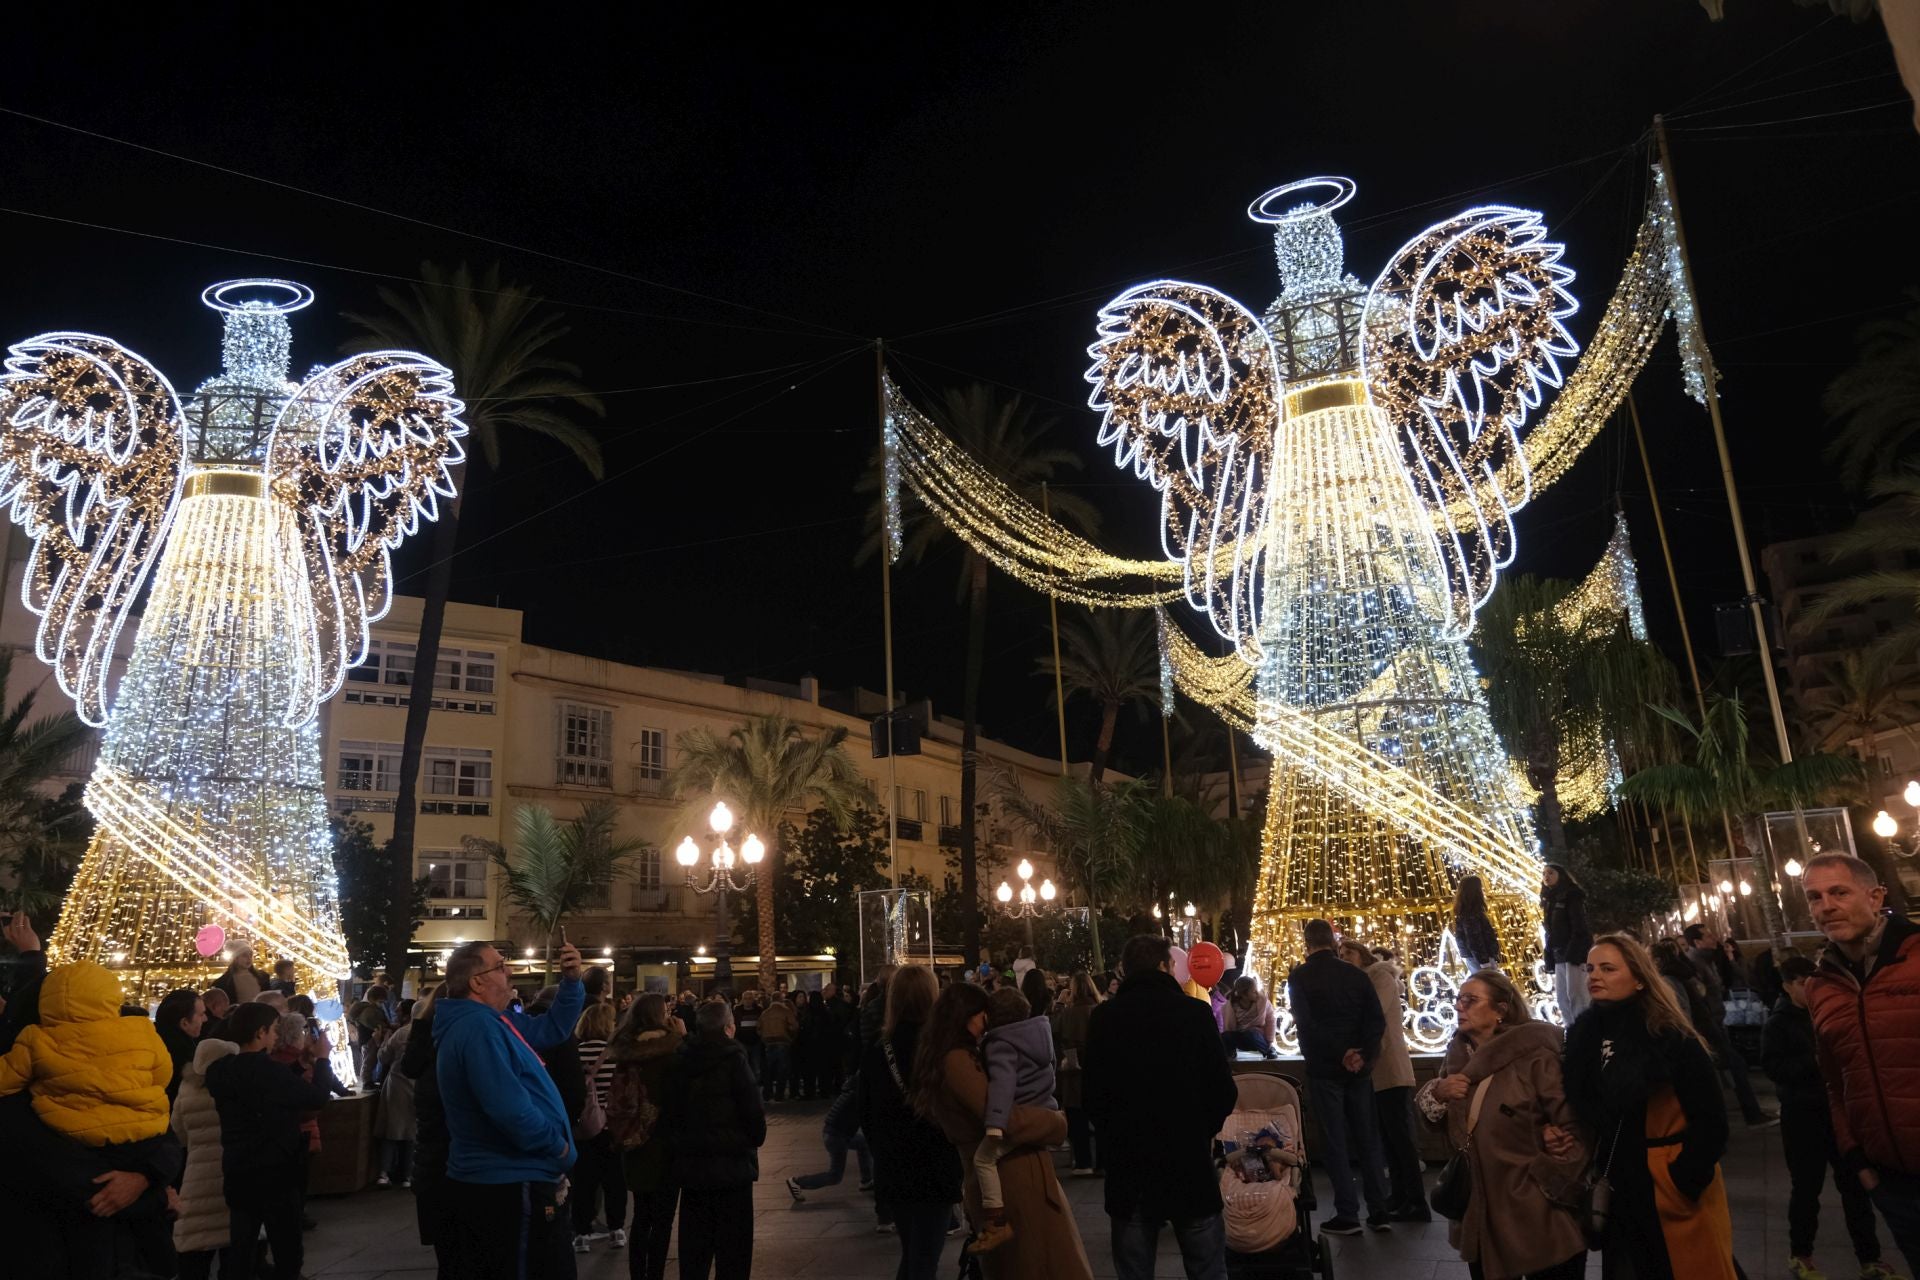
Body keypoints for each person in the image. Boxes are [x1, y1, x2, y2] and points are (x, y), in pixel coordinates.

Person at [1562, 933, 1736, 1280]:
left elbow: (1712, 1120)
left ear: (1639, 978)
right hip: (1615, 1184)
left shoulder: (1669, 1037)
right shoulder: (1583, 1038)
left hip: (1666, 1182)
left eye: (1608, 968)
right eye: (1591, 968)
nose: (1595, 976)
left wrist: (1682, 1180)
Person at [1417, 970, 1587, 1280]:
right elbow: (1445, 1129)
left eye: (1471, 1000)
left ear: (1500, 1010)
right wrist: (1436, 1093)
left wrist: (1549, 1178)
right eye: (1458, 999)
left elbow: (1574, 1126)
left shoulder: (1535, 1056)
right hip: (1480, 1212)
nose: (1459, 1007)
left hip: (1536, 1211)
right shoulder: (1456, 1057)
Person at [916, 981, 1092, 1280]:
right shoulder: (957, 1060)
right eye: (981, 1014)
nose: (986, 1022)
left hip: (1012, 1174)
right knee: (1035, 1265)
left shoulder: (958, 1055)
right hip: (1012, 1178)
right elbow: (1002, 1118)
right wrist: (1056, 1123)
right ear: (964, 1014)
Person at [1085, 933, 1236, 1280]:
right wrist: (1201, 1130)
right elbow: (1222, 1089)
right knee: (1206, 1267)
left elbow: (1093, 1095)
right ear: (1164, 965)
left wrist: (1114, 1136)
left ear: (1125, 970)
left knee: (1134, 1267)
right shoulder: (1195, 1014)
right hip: (1188, 1160)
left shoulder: (1106, 1019)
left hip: (1129, 1166)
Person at [434, 939, 585, 1280]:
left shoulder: (493, 1022)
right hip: (509, 1182)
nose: (510, 971)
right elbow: (510, 1110)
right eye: (500, 967)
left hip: (511, 1179)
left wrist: (572, 983)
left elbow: (551, 1029)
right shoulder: (478, 1028)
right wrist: (558, 1147)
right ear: (476, 982)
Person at [1801, 852, 1920, 1268]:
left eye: (1839, 892)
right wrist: (1858, 1159)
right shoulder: (1821, 986)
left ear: (1875, 897)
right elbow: (1835, 1080)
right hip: (1892, 1182)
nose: (1826, 906)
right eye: (1814, 898)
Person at [1761, 954, 1893, 1280]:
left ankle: (1870, 1259)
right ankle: (1801, 1254)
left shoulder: (1827, 1013)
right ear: (1787, 986)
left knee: (1855, 1189)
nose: (1810, 990)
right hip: (1802, 1115)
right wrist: (1813, 1064)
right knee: (1807, 1189)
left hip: (1838, 1114)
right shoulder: (1778, 1024)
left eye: (1814, 983)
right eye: (1803, 984)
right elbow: (1774, 1068)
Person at [206, 1000, 336, 1280]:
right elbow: (315, 1098)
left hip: (237, 1166)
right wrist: (323, 1060)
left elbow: (270, 1087)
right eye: (275, 1029)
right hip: (276, 1168)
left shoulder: (220, 1071)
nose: (277, 1035)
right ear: (260, 1032)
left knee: (242, 1239)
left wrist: (299, 1067)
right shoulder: (269, 1072)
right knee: (286, 1242)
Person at [1287, 919, 1391, 1234]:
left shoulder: (1300, 977)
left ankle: (1347, 1212)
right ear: (1333, 941)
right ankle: (1379, 1210)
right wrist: (1360, 1053)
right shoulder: (1356, 975)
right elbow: (1375, 1020)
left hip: (1324, 1068)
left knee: (1335, 1142)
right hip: (1358, 1069)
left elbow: (1306, 1024)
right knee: (1367, 1138)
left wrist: (1339, 1052)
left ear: (1307, 943)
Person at [0, 959, 173, 1147]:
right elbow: (163, 1075)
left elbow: (6, 1076)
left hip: (70, 1131)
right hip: (141, 1131)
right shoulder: (141, 1030)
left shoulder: (37, 1038)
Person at [859, 965, 959, 1279]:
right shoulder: (943, 1048)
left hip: (894, 1162)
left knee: (913, 1251)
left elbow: (866, 1111)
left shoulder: (878, 1050)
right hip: (936, 1161)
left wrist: (882, 1150)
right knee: (926, 1255)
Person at [664, 999, 766, 1280]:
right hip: (732, 1169)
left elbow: (670, 1112)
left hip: (693, 1169)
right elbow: (753, 1114)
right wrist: (749, 1140)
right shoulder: (735, 1060)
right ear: (728, 1028)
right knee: (733, 1252)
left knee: (694, 1251)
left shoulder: (682, 1060)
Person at [1340, 940, 1429, 1222]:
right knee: (1389, 1139)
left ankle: (1416, 1201)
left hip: (1389, 1068)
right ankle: (1400, 1196)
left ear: (1362, 954)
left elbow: (1374, 1014)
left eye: (1349, 952)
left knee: (1401, 1138)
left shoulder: (1380, 976)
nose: (1344, 958)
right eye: (1340, 955)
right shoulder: (1359, 983)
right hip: (1374, 1072)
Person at [965, 986, 1057, 1254]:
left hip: (1019, 1114)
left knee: (984, 1159)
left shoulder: (1001, 1044)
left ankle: (996, 1220)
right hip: (1044, 1108)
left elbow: (1003, 1086)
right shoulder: (1040, 1034)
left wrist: (995, 1123)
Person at [608, 993, 685, 1280]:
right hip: (665, 1142)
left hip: (634, 1141)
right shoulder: (671, 1049)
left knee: (641, 1215)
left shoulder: (624, 1051)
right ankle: (655, 1274)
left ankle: (637, 1273)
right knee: (663, 1219)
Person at [1680, 924, 1774, 1128]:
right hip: (1709, 1025)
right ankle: (1751, 1115)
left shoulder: (1709, 959)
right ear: (1697, 942)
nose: (1714, 938)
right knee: (1735, 1065)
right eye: (1708, 935)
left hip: (1716, 1021)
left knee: (1727, 1069)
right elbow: (1700, 996)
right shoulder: (1695, 963)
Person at [172, 1037, 238, 1280]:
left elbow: (178, 1132)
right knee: (235, 1243)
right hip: (233, 1171)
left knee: (194, 1241)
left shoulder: (186, 1089)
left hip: (197, 1175)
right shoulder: (238, 1088)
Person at [401, 984, 453, 1265]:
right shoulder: (457, 1043)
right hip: (453, 1157)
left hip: (429, 1156)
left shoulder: (422, 1037)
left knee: (447, 1254)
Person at [570, 1000, 627, 1254]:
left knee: (584, 1181)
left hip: (583, 1127)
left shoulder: (575, 1053)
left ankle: (581, 1232)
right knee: (614, 1179)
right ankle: (617, 1229)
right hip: (611, 1126)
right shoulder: (615, 1053)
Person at [1052, 970, 1101, 1176]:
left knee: (1077, 1118)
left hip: (1072, 1069)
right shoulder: (1099, 1010)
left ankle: (1083, 1162)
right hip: (1097, 1069)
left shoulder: (1067, 1014)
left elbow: (1053, 1031)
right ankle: (1102, 1161)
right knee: (1099, 1118)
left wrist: (1059, 1005)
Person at [1540, 864, 1592, 1025]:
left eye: (1550, 873)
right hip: (1559, 954)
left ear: (1561, 875)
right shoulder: (1549, 900)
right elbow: (1550, 931)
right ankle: (1572, 1031)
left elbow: (1579, 926)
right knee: (1562, 998)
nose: (1546, 876)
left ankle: (1585, 1030)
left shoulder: (1571, 896)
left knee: (1577, 995)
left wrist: (1574, 951)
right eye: (1544, 874)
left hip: (1573, 953)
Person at [374, 1001, 418, 1189]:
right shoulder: (432, 1033)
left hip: (397, 1085)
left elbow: (384, 1057)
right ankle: (407, 1175)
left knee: (391, 1132)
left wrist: (380, 1042)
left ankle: (384, 1173)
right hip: (418, 1086)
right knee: (411, 1133)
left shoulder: (401, 1033)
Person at [155, 986, 207, 1103]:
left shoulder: (154, 1041)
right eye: (201, 1014)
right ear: (184, 1023)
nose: (205, 1019)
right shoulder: (181, 1055)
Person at [1219, 974, 1279, 1059]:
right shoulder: (1231, 1005)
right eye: (1254, 991)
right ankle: (1230, 1053)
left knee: (1251, 1033)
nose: (1257, 993)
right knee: (1225, 1035)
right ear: (1244, 995)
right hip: (1241, 1036)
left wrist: (1270, 1041)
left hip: (1257, 1037)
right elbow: (1228, 1026)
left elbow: (1271, 1020)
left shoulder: (1263, 1002)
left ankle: (1268, 1050)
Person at [1452, 875, 1502, 974]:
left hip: (1477, 957)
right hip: (1481, 959)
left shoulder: (1466, 912)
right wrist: (1484, 963)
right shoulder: (1471, 914)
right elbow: (1474, 939)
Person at [758, 985, 797, 1103]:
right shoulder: (786, 1011)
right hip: (783, 1042)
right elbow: (794, 1026)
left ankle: (767, 1093)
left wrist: (764, 1037)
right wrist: (791, 1037)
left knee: (768, 1070)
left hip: (768, 1043)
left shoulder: (765, 1013)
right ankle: (779, 1095)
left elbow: (759, 1028)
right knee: (782, 1070)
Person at [733, 988, 764, 1085]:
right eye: (745, 998)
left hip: (756, 1042)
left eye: (750, 998)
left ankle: (755, 1086)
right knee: (743, 1066)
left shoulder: (759, 1010)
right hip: (742, 1041)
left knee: (756, 1066)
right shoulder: (737, 1010)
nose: (747, 1000)